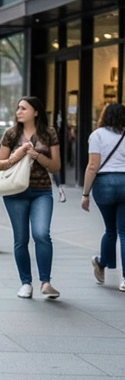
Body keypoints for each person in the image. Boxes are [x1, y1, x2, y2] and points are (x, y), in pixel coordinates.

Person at [0, 96, 61, 299]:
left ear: (36, 111)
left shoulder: (49, 133)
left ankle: (45, 282)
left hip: (42, 191)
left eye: (24, 108)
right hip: (15, 192)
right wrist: (16, 156)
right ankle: (26, 283)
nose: (19, 111)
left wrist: (37, 156)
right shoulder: (11, 134)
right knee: (21, 238)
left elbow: (56, 166)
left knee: (42, 234)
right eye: (18, 108)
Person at [83, 103, 125, 290]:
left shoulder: (97, 135)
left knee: (110, 230)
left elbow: (93, 165)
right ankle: (124, 279)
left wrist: (85, 194)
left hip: (104, 183)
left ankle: (101, 263)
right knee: (124, 232)